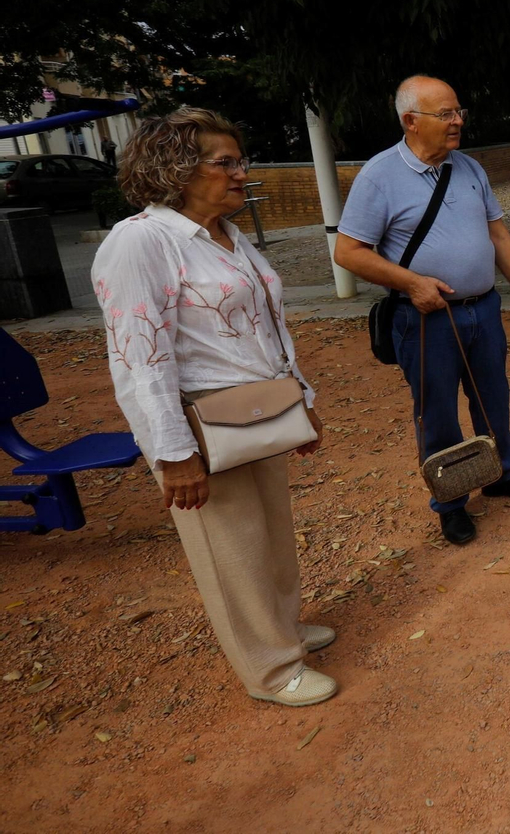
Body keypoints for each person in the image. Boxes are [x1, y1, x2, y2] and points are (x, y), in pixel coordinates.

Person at [92, 108, 334, 707]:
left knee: (272, 533)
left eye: (238, 160)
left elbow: (268, 329)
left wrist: (301, 401)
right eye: (224, 162)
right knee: (230, 548)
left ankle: (284, 628)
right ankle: (271, 669)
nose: (240, 173)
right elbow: (139, 357)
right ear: (174, 168)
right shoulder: (141, 241)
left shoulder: (228, 237)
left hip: (259, 404)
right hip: (198, 418)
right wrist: (172, 453)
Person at [334, 75, 510, 547]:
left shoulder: (469, 168)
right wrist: (411, 283)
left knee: (494, 398)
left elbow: (498, 234)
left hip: (483, 310)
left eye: (458, 112)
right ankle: (450, 503)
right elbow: (348, 252)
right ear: (410, 121)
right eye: (445, 114)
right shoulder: (378, 175)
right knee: (438, 413)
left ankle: (500, 474)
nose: (458, 122)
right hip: (426, 318)